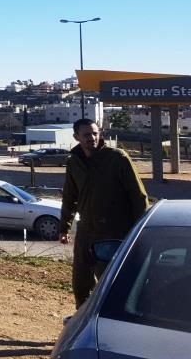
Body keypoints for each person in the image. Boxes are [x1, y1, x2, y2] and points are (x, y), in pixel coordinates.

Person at [59, 118, 149, 309]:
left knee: (109, 281)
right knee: (80, 281)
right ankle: (81, 322)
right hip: (86, 231)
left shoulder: (117, 158)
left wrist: (138, 230)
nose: (92, 137)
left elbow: (138, 196)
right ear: (76, 137)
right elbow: (69, 196)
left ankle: (114, 320)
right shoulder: (73, 162)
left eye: (94, 133)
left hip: (113, 231)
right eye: (86, 135)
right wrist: (64, 227)